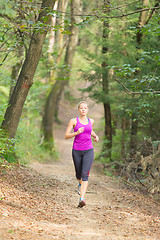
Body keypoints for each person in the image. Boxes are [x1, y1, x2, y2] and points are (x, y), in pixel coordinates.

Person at [65, 101, 99, 207]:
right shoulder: (73, 121)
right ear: (78, 110)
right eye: (81, 108)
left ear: (87, 110)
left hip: (88, 150)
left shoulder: (91, 121)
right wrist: (76, 133)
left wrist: (95, 136)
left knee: (85, 175)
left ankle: (82, 198)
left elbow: (90, 130)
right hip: (76, 150)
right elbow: (66, 135)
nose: (83, 110)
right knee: (78, 174)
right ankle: (79, 184)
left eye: (85, 108)